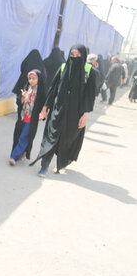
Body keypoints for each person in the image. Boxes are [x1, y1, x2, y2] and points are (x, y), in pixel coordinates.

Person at [31, 45, 96, 177]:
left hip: (75, 114)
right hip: (57, 111)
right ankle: (44, 166)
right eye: (72, 55)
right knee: (51, 138)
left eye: (78, 56)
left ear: (83, 56)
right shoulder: (62, 68)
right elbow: (52, 90)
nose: (75, 58)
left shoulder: (89, 71)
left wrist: (85, 115)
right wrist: (45, 108)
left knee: (67, 140)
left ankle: (62, 163)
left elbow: (90, 96)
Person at [10, 70, 46, 165]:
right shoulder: (26, 88)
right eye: (29, 78)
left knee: (24, 137)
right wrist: (23, 97)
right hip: (22, 117)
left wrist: (43, 113)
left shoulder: (41, 92)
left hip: (32, 120)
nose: (31, 81)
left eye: (34, 78)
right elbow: (20, 102)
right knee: (18, 135)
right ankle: (23, 152)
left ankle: (14, 157)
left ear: (39, 79)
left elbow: (44, 105)